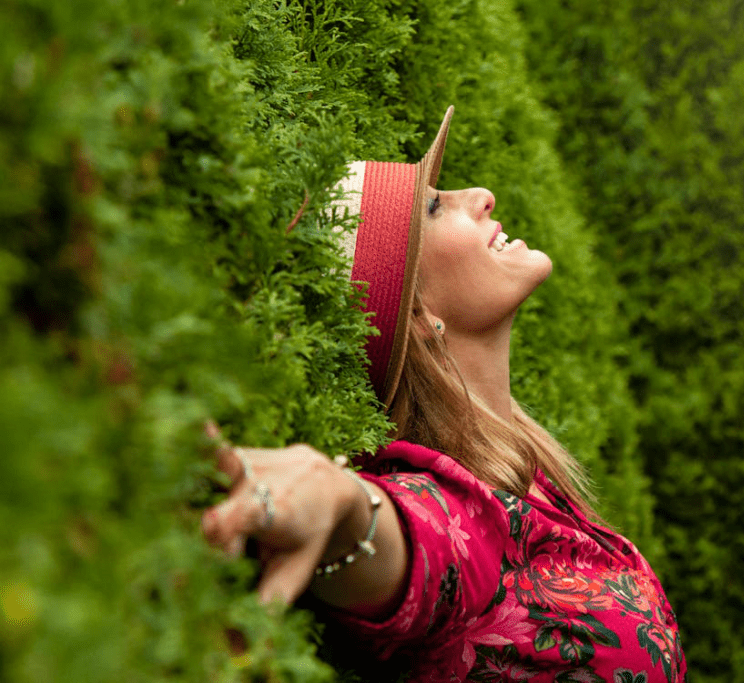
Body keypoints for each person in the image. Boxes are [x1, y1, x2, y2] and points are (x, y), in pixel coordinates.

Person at [201, 107, 686, 682]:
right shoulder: (455, 511)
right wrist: (340, 502)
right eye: (435, 205)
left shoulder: (528, 475)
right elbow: (412, 539)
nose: (482, 194)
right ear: (418, 313)